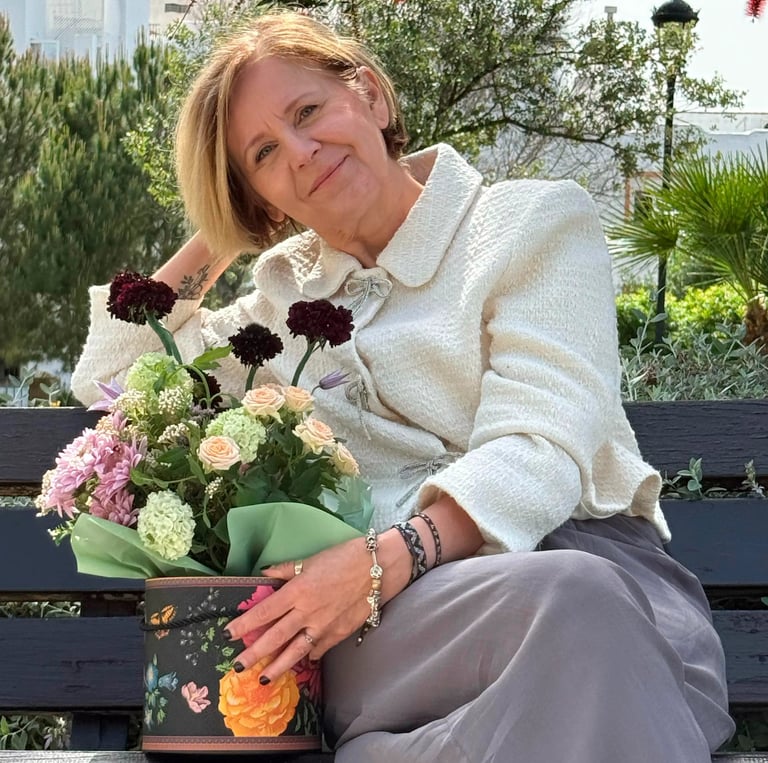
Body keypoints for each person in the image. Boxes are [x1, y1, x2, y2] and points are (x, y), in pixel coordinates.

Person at [71, 11, 735, 762]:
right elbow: (114, 374)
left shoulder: (532, 223)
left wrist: (381, 559)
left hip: (581, 579)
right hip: (392, 628)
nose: (300, 150)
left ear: (372, 96)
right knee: (590, 630)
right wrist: (228, 229)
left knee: (582, 609)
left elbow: (542, 443)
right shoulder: (281, 306)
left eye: (307, 112)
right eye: (264, 152)